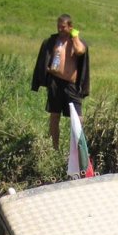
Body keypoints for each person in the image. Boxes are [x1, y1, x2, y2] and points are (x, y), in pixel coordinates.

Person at [31, 14, 90, 150]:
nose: (60, 29)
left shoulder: (76, 42)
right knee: (54, 115)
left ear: (70, 27)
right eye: (58, 26)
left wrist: (74, 36)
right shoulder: (53, 41)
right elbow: (46, 56)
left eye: (63, 27)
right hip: (55, 83)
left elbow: (80, 51)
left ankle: (78, 149)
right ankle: (55, 148)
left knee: (77, 118)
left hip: (71, 85)